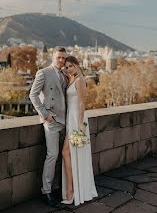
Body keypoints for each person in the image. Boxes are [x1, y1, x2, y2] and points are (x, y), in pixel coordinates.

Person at [29, 46, 68, 208]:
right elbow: (33, 94)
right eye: (59, 57)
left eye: (64, 58)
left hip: (65, 121)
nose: (61, 60)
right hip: (51, 121)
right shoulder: (43, 72)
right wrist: (44, 114)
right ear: (53, 57)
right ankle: (46, 191)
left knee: (64, 157)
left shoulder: (66, 75)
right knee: (52, 156)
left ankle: (59, 188)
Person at [61, 56, 98, 206]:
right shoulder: (73, 79)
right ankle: (73, 189)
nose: (68, 69)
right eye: (66, 67)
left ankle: (72, 190)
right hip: (71, 119)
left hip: (77, 120)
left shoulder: (80, 80)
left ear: (77, 65)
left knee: (66, 152)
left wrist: (81, 123)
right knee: (69, 153)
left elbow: (82, 103)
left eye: (71, 66)